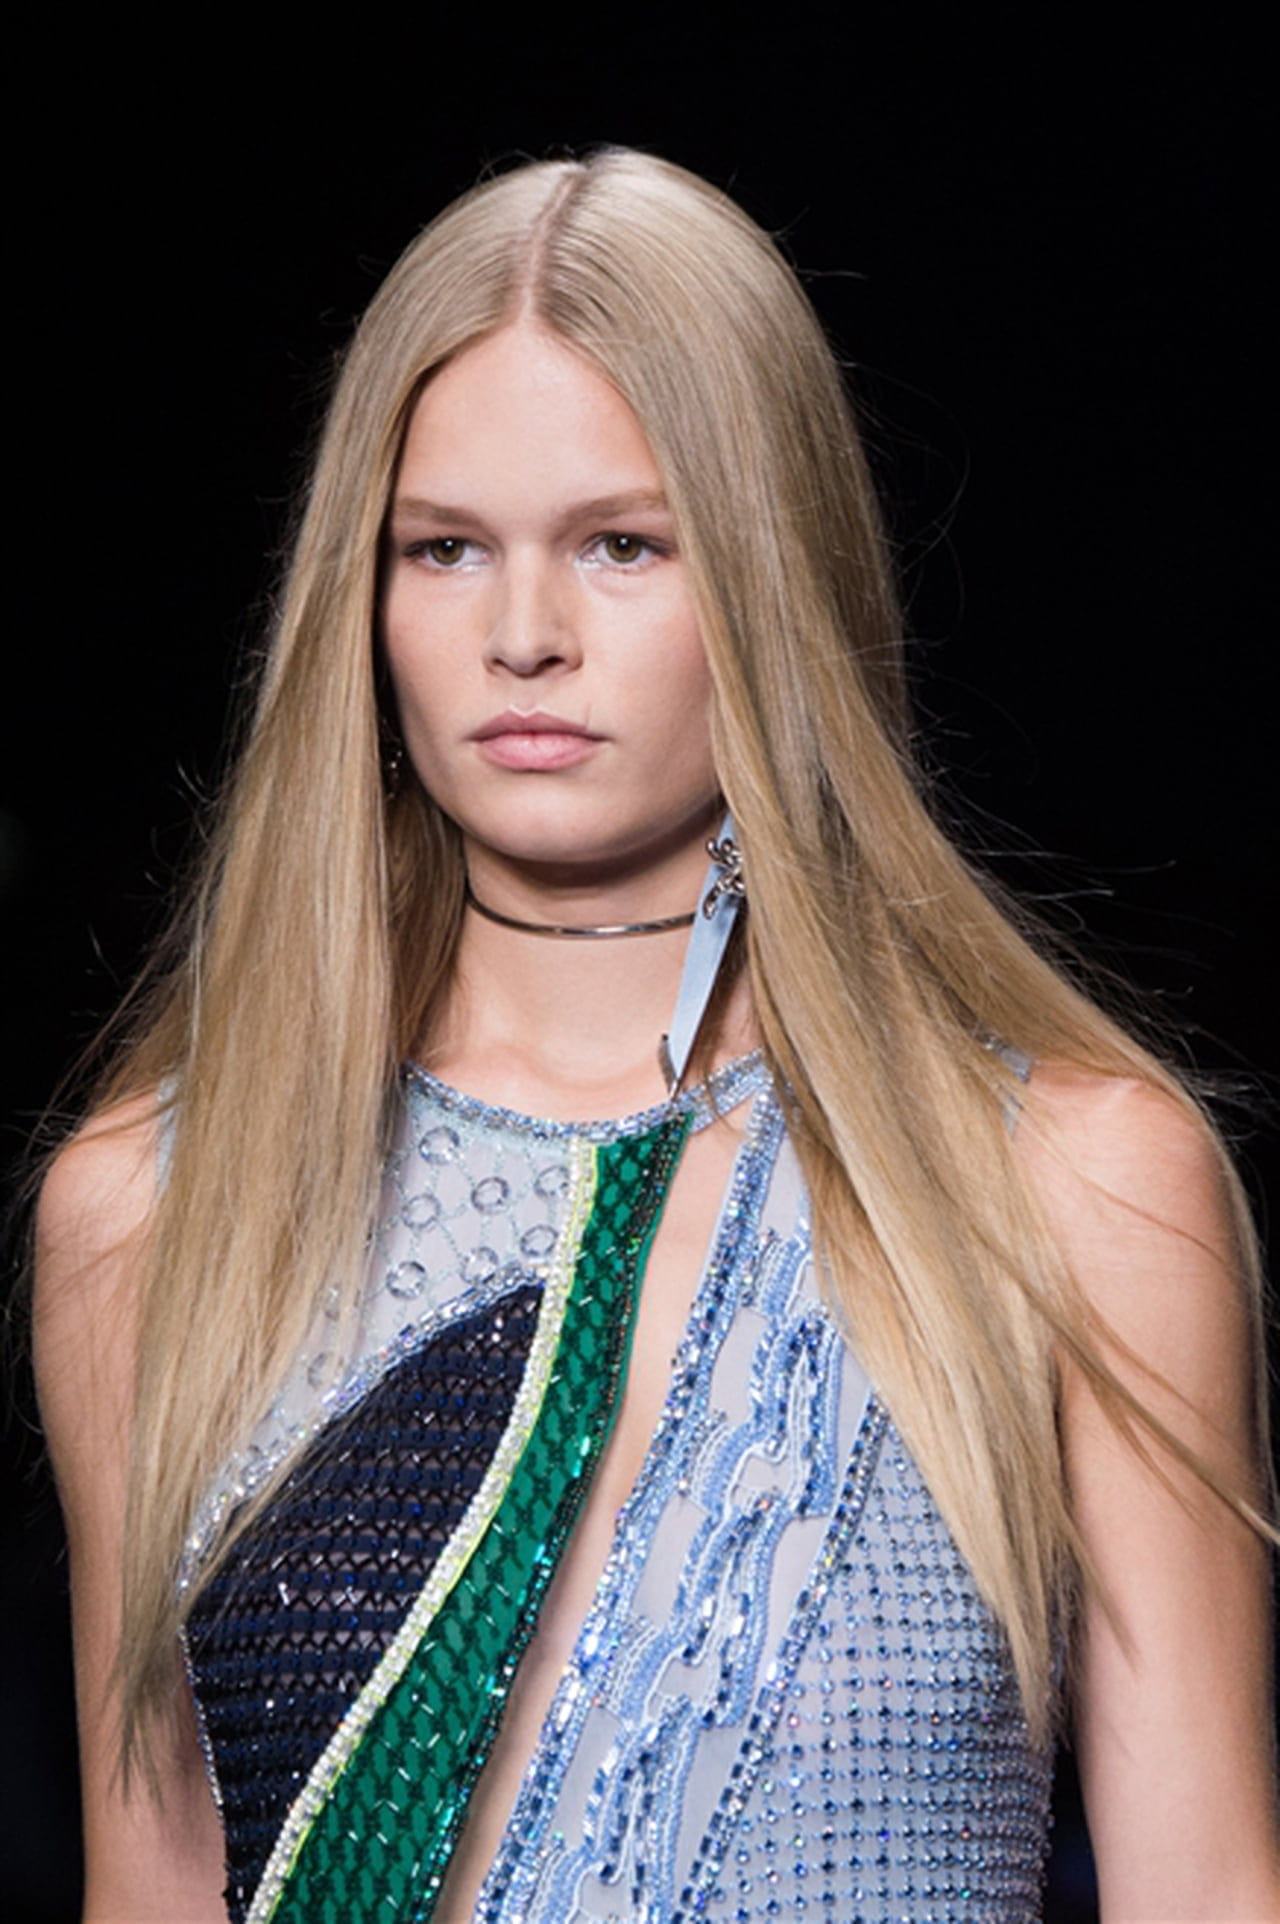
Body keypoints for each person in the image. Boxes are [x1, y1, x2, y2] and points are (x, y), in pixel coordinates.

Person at [32, 148, 1277, 1924]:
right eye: (444, 549)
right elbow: (149, 1884)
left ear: (771, 580)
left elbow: (1207, 1884)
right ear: (360, 604)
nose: (522, 637)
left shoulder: (1074, 1188)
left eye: (622, 544)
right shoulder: (159, 1215)